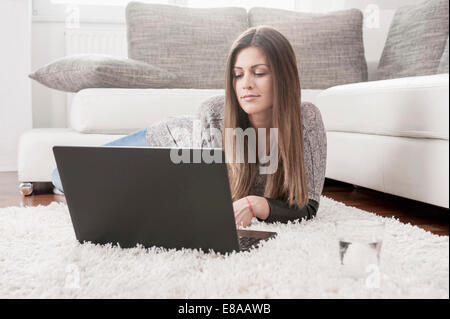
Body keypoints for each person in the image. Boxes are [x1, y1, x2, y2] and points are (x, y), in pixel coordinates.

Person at [52, 26, 327, 227]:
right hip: (171, 143)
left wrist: (256, 204)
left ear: (284, 76)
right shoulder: (214, 113)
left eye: (259, 73)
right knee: (66, 176)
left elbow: (308, 206)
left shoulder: (307, 120)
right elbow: (209, 200)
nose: (246, 84)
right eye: (238, 75)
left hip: (182, 167)